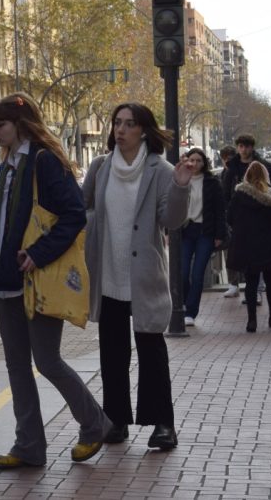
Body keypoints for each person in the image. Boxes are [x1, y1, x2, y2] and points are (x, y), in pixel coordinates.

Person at [0, 93, 112, 469]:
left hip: (37, 279)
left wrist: (38, 253)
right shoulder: (3, 171)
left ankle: (94, 424)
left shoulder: (44, 162)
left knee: (47, 361)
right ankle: (29, 446)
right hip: (6, 283)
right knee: (17, 366)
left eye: (0, 125)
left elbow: (73, 216)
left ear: (20, 123)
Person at [81, 103, 194, 451]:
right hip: (108, 275)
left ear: (143, 130)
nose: (121, 129)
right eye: (117, 123)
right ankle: (115, 420)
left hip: (143, 276)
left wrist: (180, 187)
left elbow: (172, 221)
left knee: (151, 351)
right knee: (112, 354)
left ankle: (163, 424)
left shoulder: (160, 170)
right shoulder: (99, 168)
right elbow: (84, 210)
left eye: (129, 124)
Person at [226, 162, 271, 332]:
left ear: (246, 176)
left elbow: (230, 217)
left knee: (251, 284)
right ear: (266, 176)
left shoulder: (240, 195)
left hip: (247, 245)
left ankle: (251, 320)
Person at [221, 134, 271, 304]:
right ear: (238, 147)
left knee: (258, 256)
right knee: (243, 256)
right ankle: (241, 287)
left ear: (252, 147)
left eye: (247, 146)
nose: (244, 149)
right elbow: (225, 194)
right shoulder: (231, 169)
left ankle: (256, 291)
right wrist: (229, 214)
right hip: (240, 218)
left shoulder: (265, 167)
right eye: (241, 146)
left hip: (261, 218)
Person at [179, 148, 227, 327]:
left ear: (204, 163)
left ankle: (191, 312)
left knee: (197, 274)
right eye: (192, 160)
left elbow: (219, 210)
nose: (195, 164)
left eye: (199, 160)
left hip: (205, 232)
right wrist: (169, 232)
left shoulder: (212, 183)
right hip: (185, 230)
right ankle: (183, 304)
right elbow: (172, 206)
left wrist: (219, 235)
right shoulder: (181, 180)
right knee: (183, 272)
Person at [218, 145, 243, 299]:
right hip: (227, 218)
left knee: (244, 252)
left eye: (230, 157)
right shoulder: (222, 175)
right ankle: (233, 284)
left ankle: (247, 285)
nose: (228, 161)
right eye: (225, 158)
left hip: (241, 217)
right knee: (229, 253)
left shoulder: (240, 173)